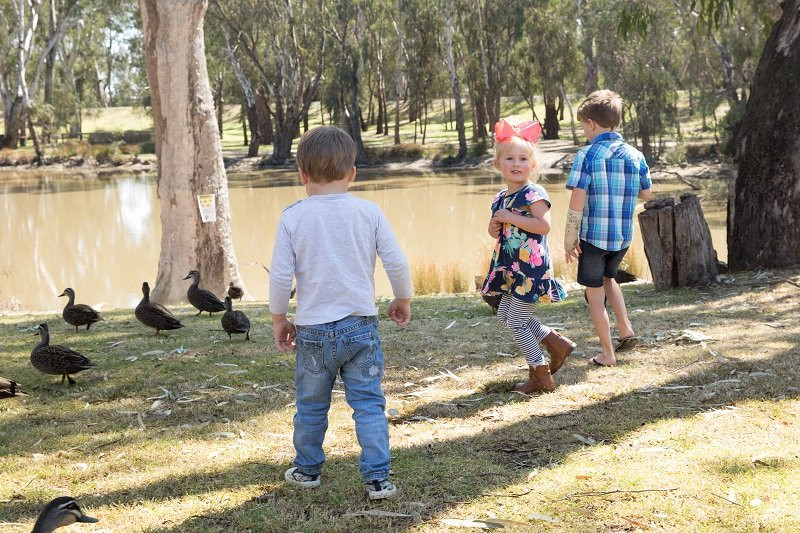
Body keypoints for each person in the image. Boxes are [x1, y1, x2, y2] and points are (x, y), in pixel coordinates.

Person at [269, 126, 413, 500]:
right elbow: (395, 261)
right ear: (352, 173)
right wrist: (403, 298)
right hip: (360, 328)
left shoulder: (293, 217)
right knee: (368, 402)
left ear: (302, 174)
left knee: (311, 404)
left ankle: (307, 469)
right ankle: (378, 477)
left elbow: (282, 275)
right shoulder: (368, 212)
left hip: (313, 331)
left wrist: (279, 318)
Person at [481, 118, 576, 394]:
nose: (516, 164)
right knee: (504, 315)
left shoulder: (534, 193)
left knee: (517, 321)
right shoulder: (500, 197)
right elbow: (497, 231)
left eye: (523, 158)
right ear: (498, 164)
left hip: (530, 267)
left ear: (531, 164)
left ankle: (540, 374)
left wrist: (511, 217)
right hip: (510, 267)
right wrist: (495, 224)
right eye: (509, 158)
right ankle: (555, 342)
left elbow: (543, 226)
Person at [564, 90, 652, 367]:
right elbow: (646, 194)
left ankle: (607, 353)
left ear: (590, 123)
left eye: (583, 126)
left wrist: (569, 238)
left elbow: (577, 199)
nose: (584, 131)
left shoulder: (587, 155)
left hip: (593, 238)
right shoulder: (635, 155)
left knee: (594, 293)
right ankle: (625, 330)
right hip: (622, 237)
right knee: (608, 279)